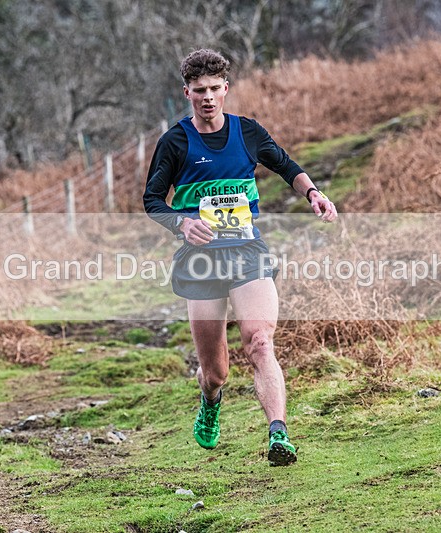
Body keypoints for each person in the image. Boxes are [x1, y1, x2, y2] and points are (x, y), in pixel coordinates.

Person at [143, 49, 337, 466]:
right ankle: (210, 399)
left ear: (226, 89)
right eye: (199, 91)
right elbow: (153, 201)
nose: (208, 97)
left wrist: (313, 193)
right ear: (187, 93)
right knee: (215, 372)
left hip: (248, 253)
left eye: (215, 89)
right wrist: (182, 224)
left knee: (261, 342)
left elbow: (286, 166)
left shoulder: (247, 132)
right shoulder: (174, 142)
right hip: (202, 263)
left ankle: (279, 434)